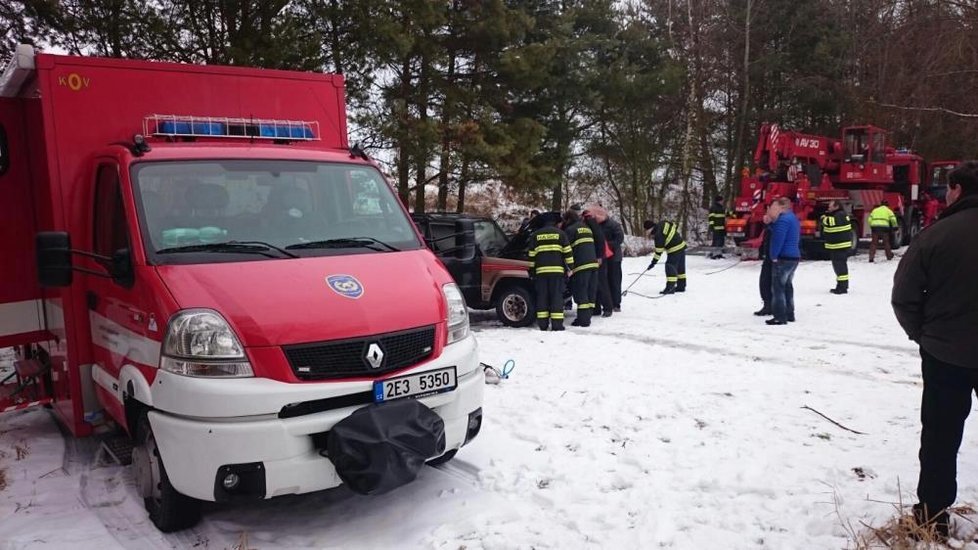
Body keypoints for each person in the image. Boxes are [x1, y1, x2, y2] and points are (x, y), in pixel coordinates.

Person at [892, 161, 978, 539]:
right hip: (945, 348)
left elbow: (904, 298)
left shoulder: (936, 235)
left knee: (941, 436)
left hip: (947, 356)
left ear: (957, 188)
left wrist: (925, 338)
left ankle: (931, 516)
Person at [528, 212, 574, 331]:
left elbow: (531, 255)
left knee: (542, 298)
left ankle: (543, 324)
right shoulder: (561, 234)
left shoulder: (535, 235)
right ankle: (557, 325)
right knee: (556, 298)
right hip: (557, 273)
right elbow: (568, 253)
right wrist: (570, 267)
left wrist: (532, 271)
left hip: (541, 273)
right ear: (554, 222)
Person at [574, 205, 614, 318]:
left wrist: (599, 256)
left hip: (598, 256)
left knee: (601, 283)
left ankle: (607, 307)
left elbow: (599, 238)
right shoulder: (586, 221)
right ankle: (596, 308)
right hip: (594, 255)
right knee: (594, 283)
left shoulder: (589, 221)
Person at [766, 197, 800, 325]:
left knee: (778, 288)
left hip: (784, 257)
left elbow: (778, 239)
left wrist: (773, 255)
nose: (772, 210)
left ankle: (780, 316)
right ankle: (789, 313)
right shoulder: (793, 218)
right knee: (787, 285)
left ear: (782, 207)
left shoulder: (783, 220)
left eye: (774, 207)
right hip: (794, 256)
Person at [562, 210, 599, 327]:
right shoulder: (587, 228)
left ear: (568, 220)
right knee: (590, 292)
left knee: (581, 292)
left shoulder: (570, 230)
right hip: (593, 265)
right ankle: (588, 315)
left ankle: (583, 320)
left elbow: (565, 249)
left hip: (581, 266)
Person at [644, 219, 687, 294]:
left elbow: (658, 252)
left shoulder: (658, 236)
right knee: (680, 268)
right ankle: (681, 286)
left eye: (646, 230)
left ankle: (670, 288)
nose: (647, 233)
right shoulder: (662, 223)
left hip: (674, 249)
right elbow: (674, 225)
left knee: (670, 266)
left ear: (650, 229)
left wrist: (653, 263)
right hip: (681, 245)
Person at [818, 200, 853, 294]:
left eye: (830, 206)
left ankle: (842, 287)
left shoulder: (839, 215)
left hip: (839, 246)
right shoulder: (840, 214)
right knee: (839, 266)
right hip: (838, 245)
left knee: (839, 267)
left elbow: (830, 222)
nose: (828, 208)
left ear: (836, 206)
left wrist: (823, 218)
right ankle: (841, 285)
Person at [595, 208, 625, 311]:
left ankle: (616, 303)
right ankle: (606, 302)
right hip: (602, 256)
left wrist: (606, 245)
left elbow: (619, 239)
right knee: (604, 280)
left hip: (614, 257)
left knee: (615, 280)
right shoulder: (596, 225)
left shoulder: (614, 225)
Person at [753, 211, 774, 316]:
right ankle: (768, 304)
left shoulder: (772, 229)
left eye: (767, 217)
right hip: (769, 257)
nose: (764, 218)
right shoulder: (768, 228)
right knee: (765, 282)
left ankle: (769, 305)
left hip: (771, 258)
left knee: (766, 282)